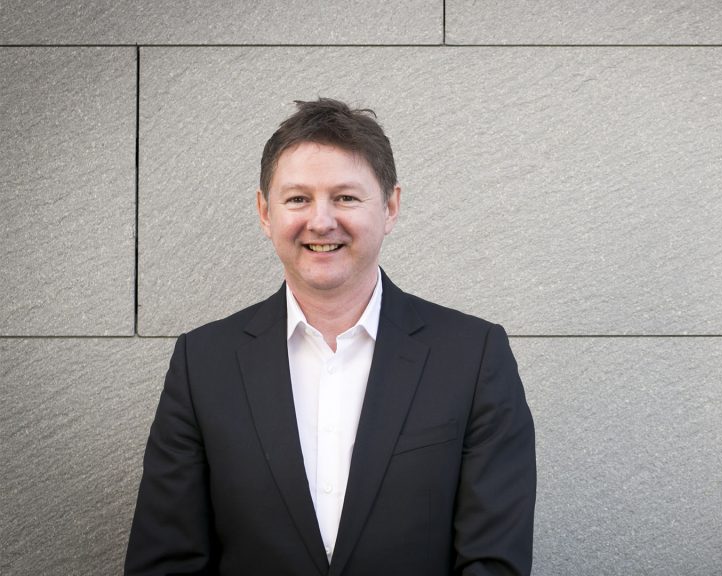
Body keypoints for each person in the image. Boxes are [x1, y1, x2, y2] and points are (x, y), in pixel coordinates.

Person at [125, 98, 536, 576]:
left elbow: (494, 564)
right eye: (298, 199)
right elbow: (165, 562)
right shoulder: (203, 364)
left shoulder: (473, 356)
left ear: (390, 207)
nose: (321, 221)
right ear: (265, 212)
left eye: (345, 198)